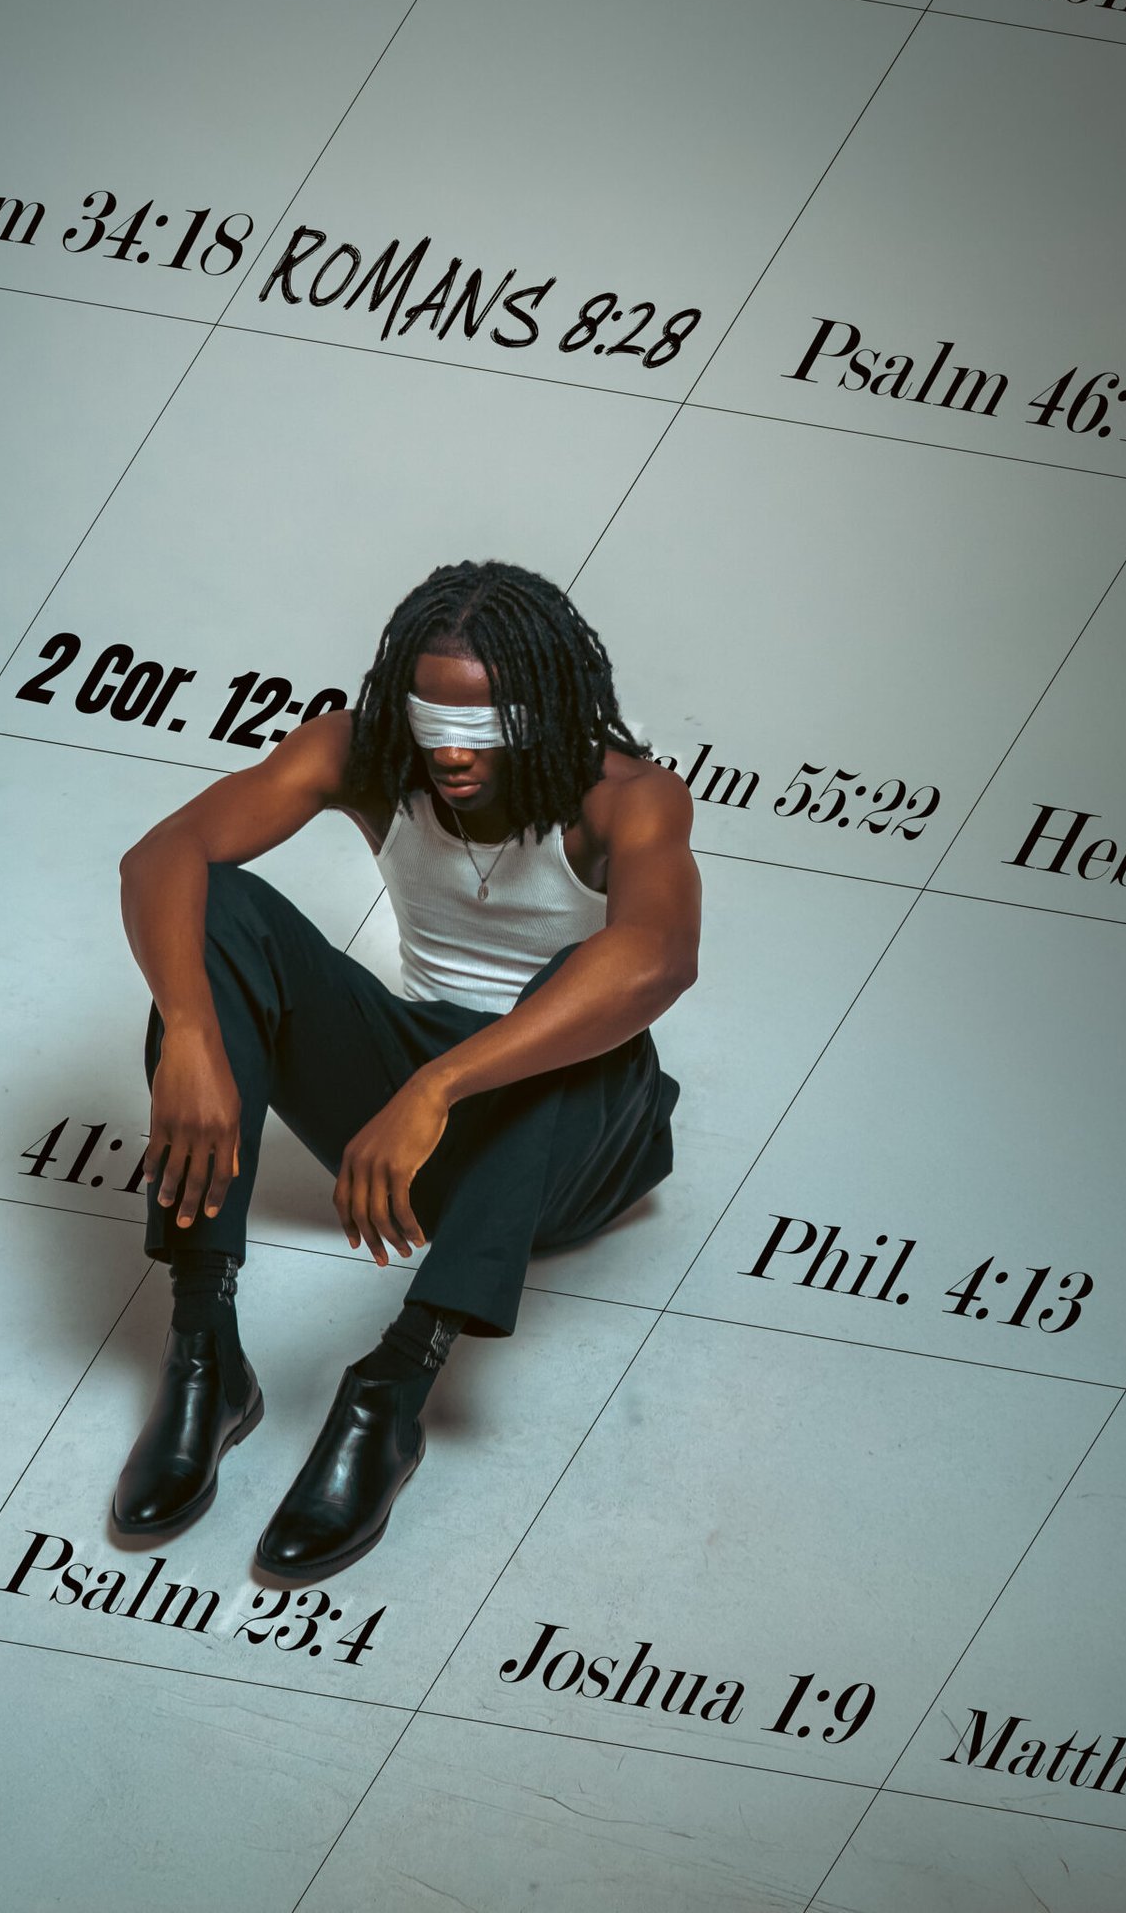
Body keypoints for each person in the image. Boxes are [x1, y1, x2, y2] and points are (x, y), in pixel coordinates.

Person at [111, 557, 701, 1583]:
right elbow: (161, 856)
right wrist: (192, 1030)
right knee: (216, 910)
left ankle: (390, 1391)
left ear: (547, 707)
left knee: (589, 1001)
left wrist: (437, 1088)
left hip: (562, 1141)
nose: (453, 753)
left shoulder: (626, 799)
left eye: (484, 727)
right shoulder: (363, 754)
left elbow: (659, 958)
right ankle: (206, 1348)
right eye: (434, 722)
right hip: (405, 1105)